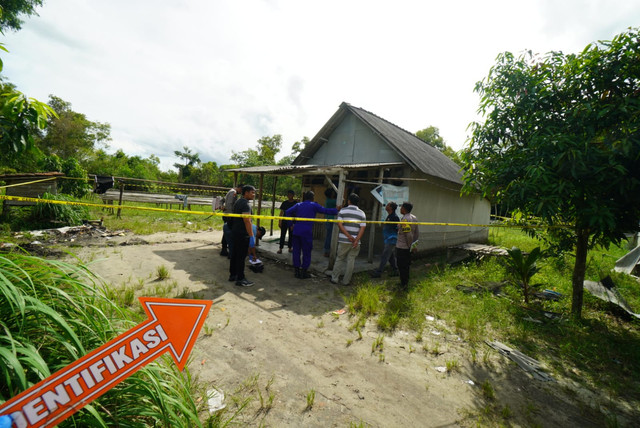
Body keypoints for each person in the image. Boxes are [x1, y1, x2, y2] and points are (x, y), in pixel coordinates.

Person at [285, 190, 339, 279]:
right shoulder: (314, 205)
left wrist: (290, 225)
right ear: (312, 198)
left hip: (296, 231)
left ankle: (297, 272)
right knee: (306, 252)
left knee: (296, 251)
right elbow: (325, 210)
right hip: (306, 232)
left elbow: (287, 212)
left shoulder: (299, 205)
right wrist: (337, 210)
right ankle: (304, 272)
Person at [330, 193, 366, 286]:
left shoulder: (343, 211)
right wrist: (356, 240)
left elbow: (340, 224)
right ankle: (346, 281)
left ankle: (334, 279)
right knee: (351, 260)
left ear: (349, 201)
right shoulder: (362, 213)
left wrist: (348, 236)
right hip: (355, 242)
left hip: (344, 240)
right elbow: (362, 228)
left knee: (340, 258)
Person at [229, 185, 256, 287]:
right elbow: (247, 221)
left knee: (234, 255)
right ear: (246, 193)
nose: (254, 195)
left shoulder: (238, 202)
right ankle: (240, 279)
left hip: (235, 232)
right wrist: (251, 235)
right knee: (240, 257)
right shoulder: (245, 204)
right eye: (252, 192)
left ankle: (233, 275)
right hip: (242, 234)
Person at [370, 202, 399, 278]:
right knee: (390, 257)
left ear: (391, 208)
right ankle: (395, 270)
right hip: (388, 239)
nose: (386, 206)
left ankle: (379, 272)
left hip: (391, 240)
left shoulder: (395, 217)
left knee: (385, 256)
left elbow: (397, 229)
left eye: (388, 205)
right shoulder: (389, 216)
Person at [396, 202, 419, 291]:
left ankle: (404, 284)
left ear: (404, 209)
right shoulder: (414, 218)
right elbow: (416, 234)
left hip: (403, 247)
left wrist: (410, 246)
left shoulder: (405, 219)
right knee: (406, 266)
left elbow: (408, 234)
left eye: (401, 207)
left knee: (402, 266)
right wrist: (414, 245)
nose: (400, 208)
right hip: (409, 247)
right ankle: (404, 283)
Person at [220, 184, 243, 258]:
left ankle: (225, 249)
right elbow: (230, 205)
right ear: (239, 188)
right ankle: (224, 249)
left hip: (227, 215)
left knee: (227, 232)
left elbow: (222, 200)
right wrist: (232, 216)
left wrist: (222, 206)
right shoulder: (233, 192)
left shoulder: (231, 191)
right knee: (228, 233)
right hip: (229, 216)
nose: (241, 192)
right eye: (241, 190)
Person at [277, 190, 297, 254]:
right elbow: (281, 213)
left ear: (293, 195)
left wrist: (294, 223)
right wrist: (280, 221)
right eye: (288, 194)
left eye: (290, 195)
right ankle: (280, 248)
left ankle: (290, 247)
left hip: (292, 221)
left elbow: (297, 214)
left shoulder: (295, 203)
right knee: (282, 234)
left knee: (291, 235)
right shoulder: (284, 203)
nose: (289, 196)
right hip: (284, 221)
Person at [323, 188, 337, 257]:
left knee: (329, 236)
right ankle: (327, 251)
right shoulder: (332, 201)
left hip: (328, 220)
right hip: (331, 220)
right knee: (330, 236)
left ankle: (327, 250)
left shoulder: (328, 201)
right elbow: (342, 201)